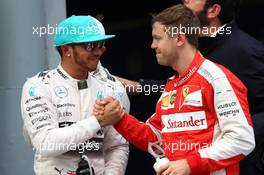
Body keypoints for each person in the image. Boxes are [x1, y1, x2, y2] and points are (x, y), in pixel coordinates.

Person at [93, 4, 255, 175]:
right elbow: (155, 139)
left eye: (157, 38)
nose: (152, 45)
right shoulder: (172, 85)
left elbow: (242, 139)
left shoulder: (216, 78)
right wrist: (119, 118)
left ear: (179, 39)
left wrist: (189, 164)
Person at [21, 15, 129, 175]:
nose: (99, 51)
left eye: (101, 44)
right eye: (91, 45)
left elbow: (117, 145)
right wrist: (97, 121)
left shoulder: (111, 88)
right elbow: (45, 143)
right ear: (66, 50)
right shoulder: (39, 86)